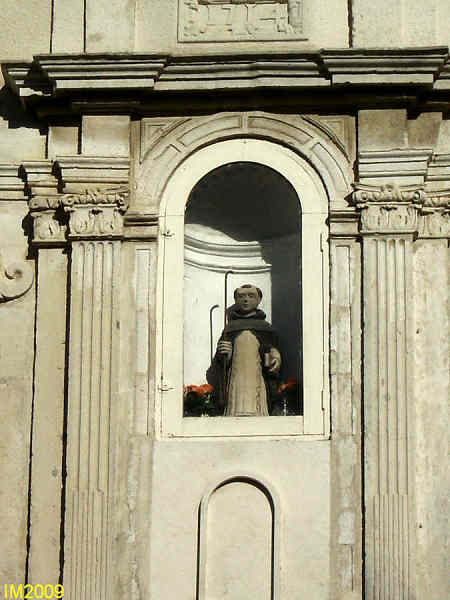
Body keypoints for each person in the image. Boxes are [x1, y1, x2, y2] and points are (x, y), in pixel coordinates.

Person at [214, 284, 281, 416]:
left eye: (251, 296)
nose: (246, 300)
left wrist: (276, 356)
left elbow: (272, 349)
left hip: (257, 378)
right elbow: (221, 363)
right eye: (241, 296)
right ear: (235, 300)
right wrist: (225, 354)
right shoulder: (230, 328)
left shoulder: (266, 328)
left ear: (259, 300)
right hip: (236, 380)